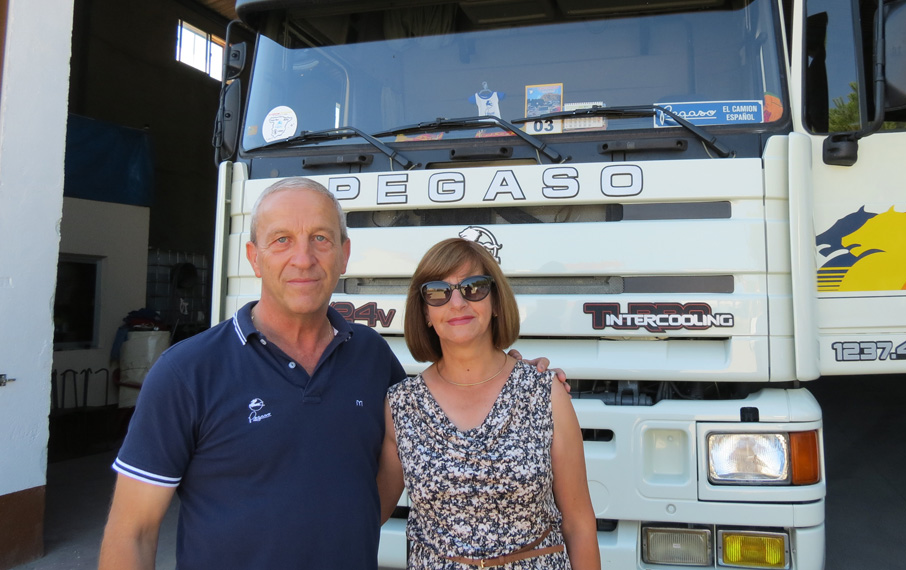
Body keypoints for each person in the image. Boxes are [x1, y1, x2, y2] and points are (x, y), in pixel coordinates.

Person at [98, 178, 562, 570]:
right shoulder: (186, 372)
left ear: (344, 254)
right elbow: (132, 532)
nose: (303, 258)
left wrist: (509, 376)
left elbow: (429, 428)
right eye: (282, 240)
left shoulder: (371, 358)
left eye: (320, 238)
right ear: (254, 257)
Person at [378, 238, 600, 569]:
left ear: (496, 302)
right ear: (424, 312)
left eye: (474, 287)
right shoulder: (400, 406)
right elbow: (369, 512)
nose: (457, 303)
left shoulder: (544, 393)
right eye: (438, 292)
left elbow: (579, 525)